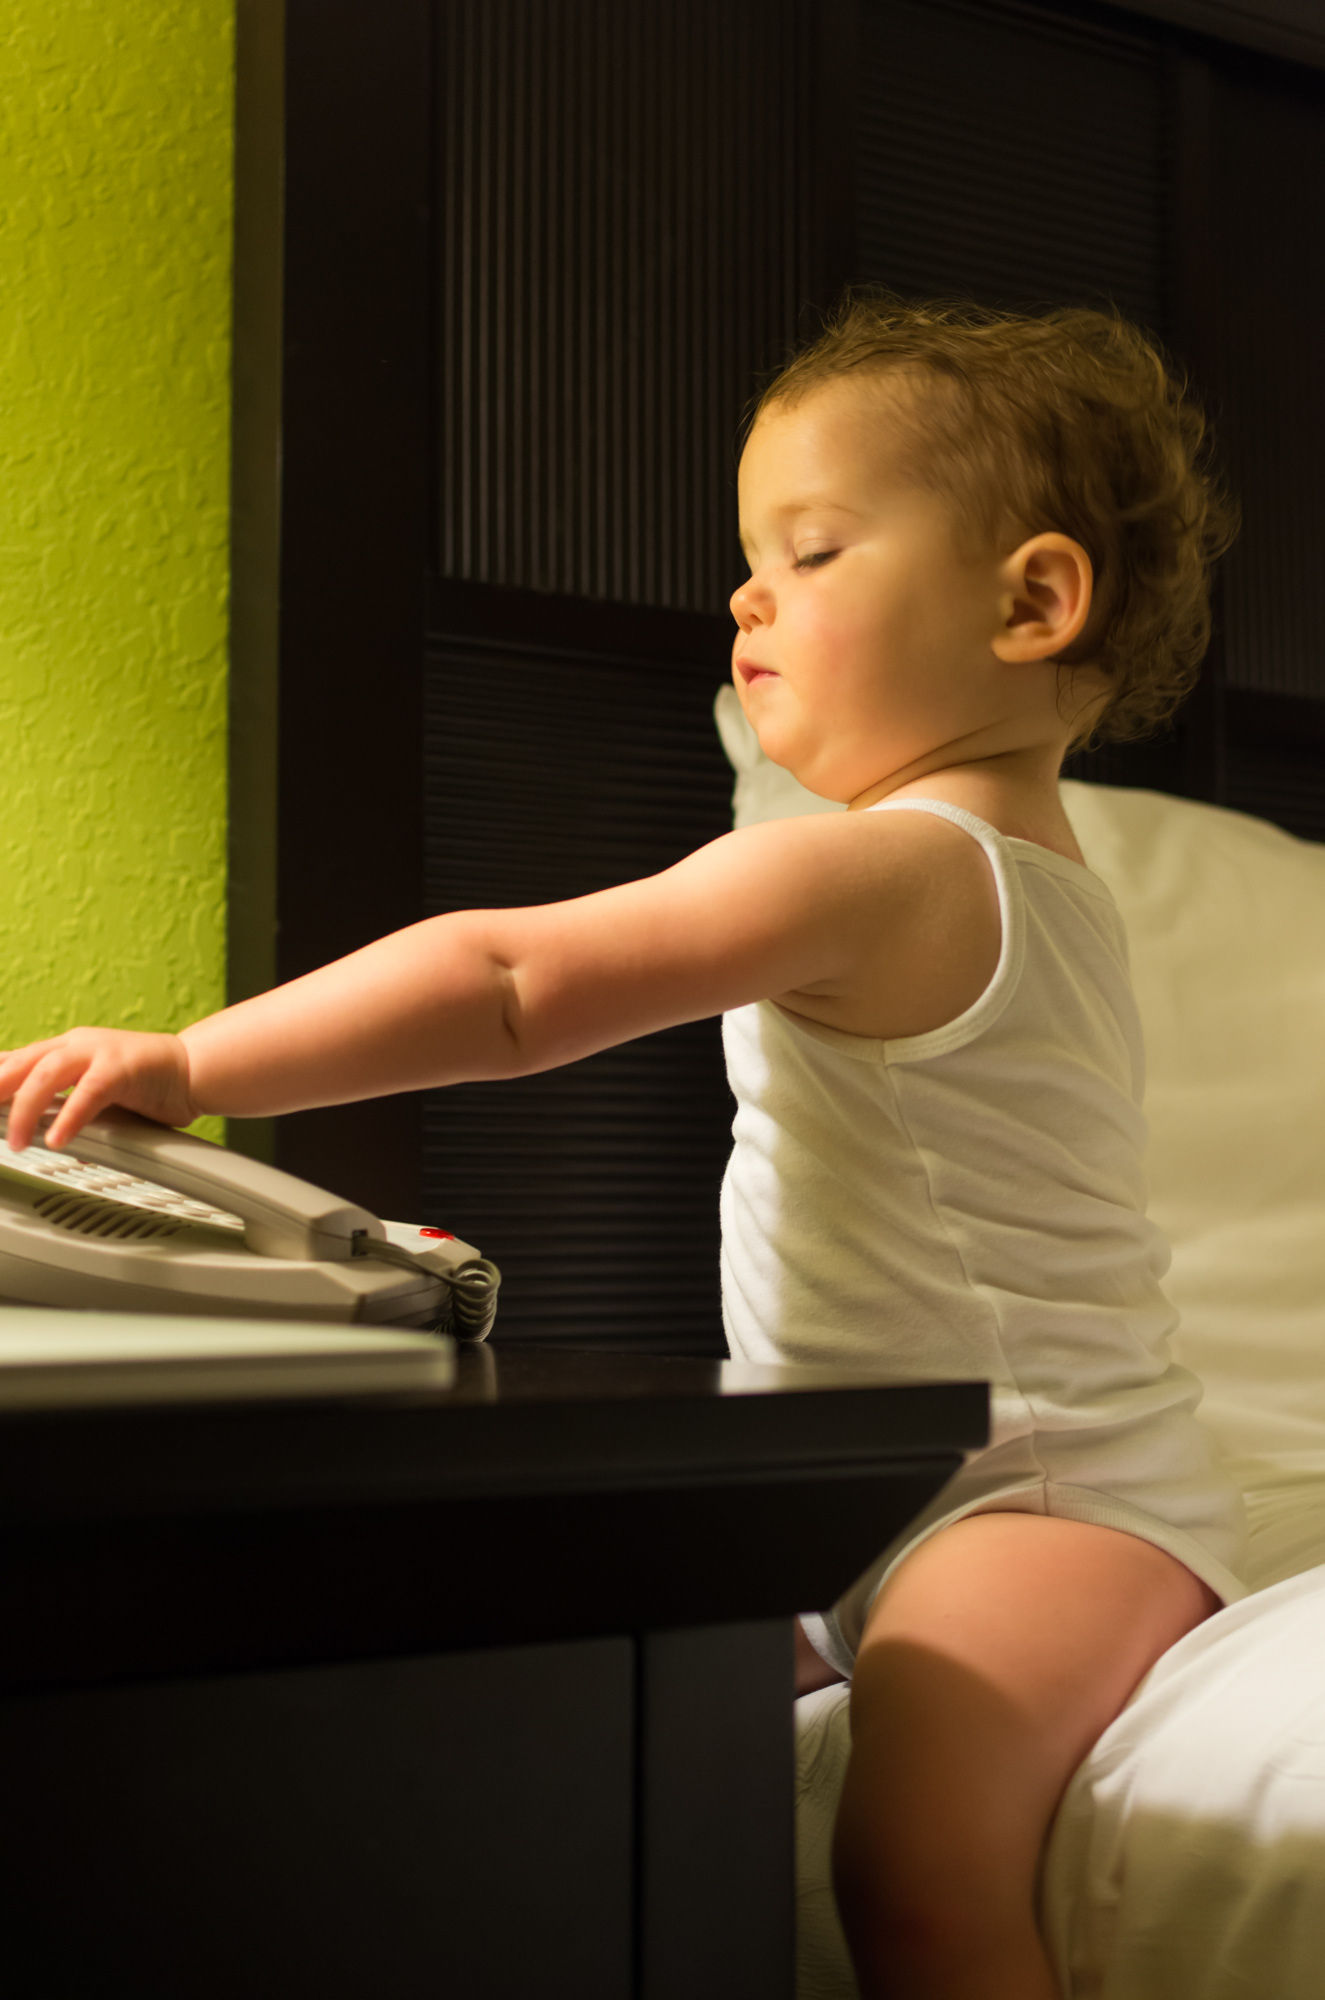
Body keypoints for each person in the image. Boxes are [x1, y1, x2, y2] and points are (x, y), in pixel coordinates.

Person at [1, 296, 1244, 1998]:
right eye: (750, 556)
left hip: (1044, 1503)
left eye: (810, 550)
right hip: (880, 1500)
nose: (745, 596)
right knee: (576, 1713)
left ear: (1031, 602)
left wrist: (193, 1059)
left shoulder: (889, 865)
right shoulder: (1017, 871)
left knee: (914, 1871)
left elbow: (514, 984)